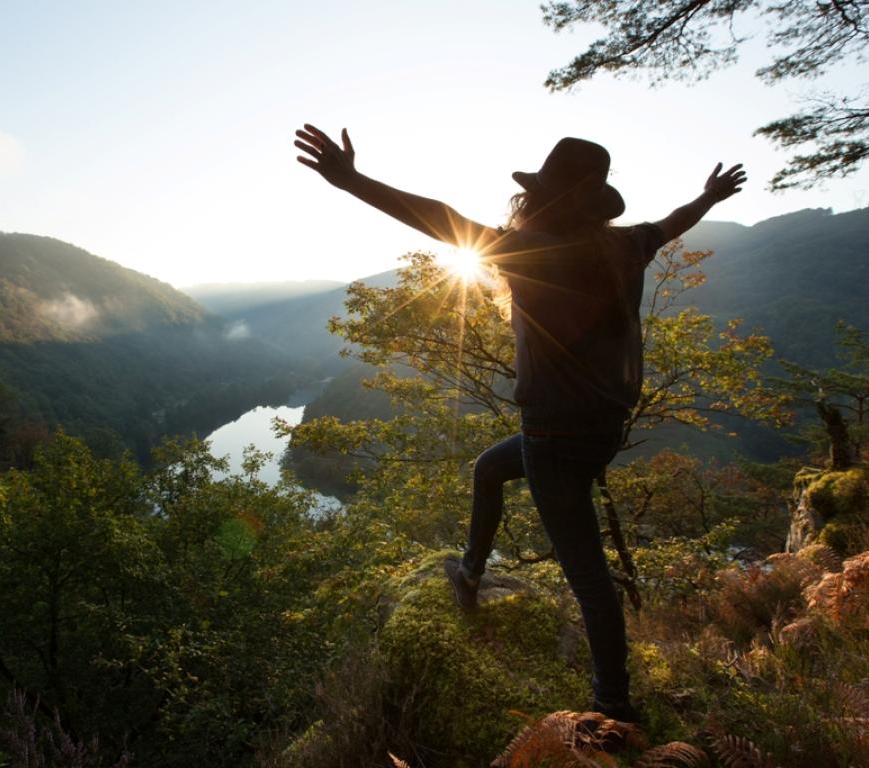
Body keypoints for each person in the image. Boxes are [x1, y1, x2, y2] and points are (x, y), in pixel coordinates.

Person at [294, 124, 745, 722]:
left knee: (587, 576)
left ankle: (614, 705)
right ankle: (472, 571)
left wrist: (350, 181)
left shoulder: (533, 250)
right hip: (597, 431)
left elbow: (438, 217)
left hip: (553, 435)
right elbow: (673, 221)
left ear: (541, 198)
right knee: (489, 467)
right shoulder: (625, 246)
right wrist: (709, 197)